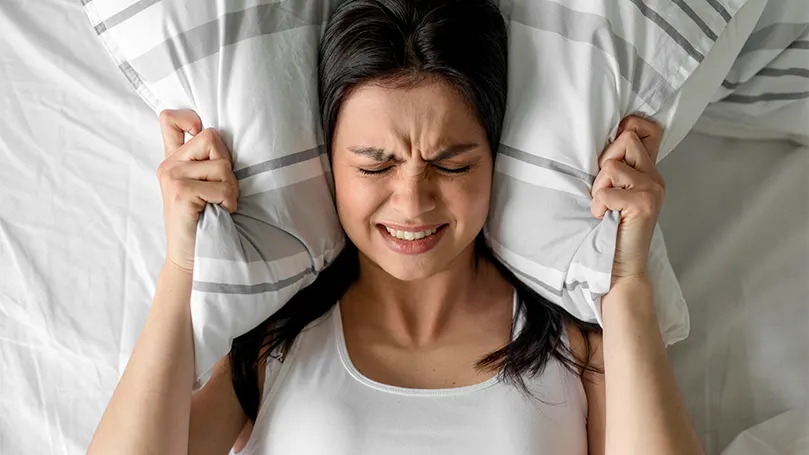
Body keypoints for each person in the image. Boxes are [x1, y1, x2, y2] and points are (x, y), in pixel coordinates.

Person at [87, 0, 704, 454]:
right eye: (375, 165)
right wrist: (181, 265)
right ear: (330, 164)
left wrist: (625, 284)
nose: (412, 201)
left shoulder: (573, 348)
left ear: (495, 159)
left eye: (451, 164)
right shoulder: (276, 342)